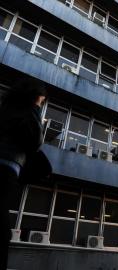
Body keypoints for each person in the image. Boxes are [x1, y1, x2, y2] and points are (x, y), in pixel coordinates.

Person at [0, 78, 49, 270]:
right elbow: (35, 141)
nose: (42, 105)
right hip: (6, 168)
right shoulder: (27, 113)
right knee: (1, 229)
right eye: (42, 101)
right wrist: (36, 109)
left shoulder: (6, 109)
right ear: (36, 96)